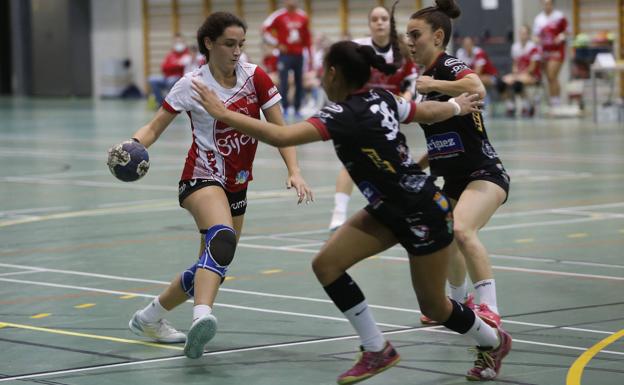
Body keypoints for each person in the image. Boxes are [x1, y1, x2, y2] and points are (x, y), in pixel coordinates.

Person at [192, 39, 512, 383]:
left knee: (435, 308)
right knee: (326, 265)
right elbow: (423, 112)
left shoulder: (340, 114)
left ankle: (492, 342)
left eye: (322, 70)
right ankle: (376, 349)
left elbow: (281, 137)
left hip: (423, 211)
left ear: (333, 74)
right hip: (389, 208)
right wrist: (456, 107)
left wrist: (224, 114)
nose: (319, 76)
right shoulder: (384, 98)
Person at [126, 12, 313, 359]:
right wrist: (130, 146)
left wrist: (294, 169)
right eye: (229, 44)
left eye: (241, 44)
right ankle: (203, 317)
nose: (237, 51)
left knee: (213, 263)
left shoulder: (256, 78)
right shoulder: (191, 85)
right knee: (222, 236)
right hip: (200, 176)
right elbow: (153, 128)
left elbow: (282, 131)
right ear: (209, 44)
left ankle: (148, 318)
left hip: (237, 184)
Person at [407, 0, 509, 331]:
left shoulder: (447, 67)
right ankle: (458, 302)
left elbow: (477, 86)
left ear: (437, 36)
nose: (409, 42)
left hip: (483, 173)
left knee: (463, 229)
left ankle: (489, 308)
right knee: (443, 233)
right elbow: (441, 139)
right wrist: (415, 166)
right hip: (451, 178)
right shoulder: (428, 77)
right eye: (406, 35)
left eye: (415, 34)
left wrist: (434, 86)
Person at [328, 1, 419, 231]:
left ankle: (395, 208)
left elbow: (411, 82)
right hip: (359, 114)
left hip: (389, 114)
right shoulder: (358, 48)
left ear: (390, 24)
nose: (379, 23)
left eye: (384, 19)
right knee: (352, 160)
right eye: (374, 19)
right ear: (369, 25)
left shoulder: (402, 51)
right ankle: (338, 214)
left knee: (391, 164)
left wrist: (405, 99)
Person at [262, 0, 312, 120]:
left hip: (299, 55)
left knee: (299, 82)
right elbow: (265, 30)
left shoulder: (303, 16)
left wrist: (309, 55)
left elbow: (307, 37)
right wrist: (277, 44)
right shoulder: (278, 16)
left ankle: (297, 108)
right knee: (283, 81)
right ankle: (284, 108)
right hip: (285, 55)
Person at [498, 25, 542, 117]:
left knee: (517, 83)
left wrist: (518, 75)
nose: (523, 35)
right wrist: (515, 72)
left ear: (528, 35)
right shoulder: (515, 47)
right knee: (501, 83)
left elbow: (532, 68)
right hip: (520, 74)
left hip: (533, 75)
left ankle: (528, 106)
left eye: (525, 33)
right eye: (521, 33)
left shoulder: (533, 47)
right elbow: (515, 63)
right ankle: (510, 106)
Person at [532, 0, 568, 107]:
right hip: (545, 52)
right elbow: (535, 35)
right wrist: (536, 40)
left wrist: (560, 37)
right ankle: (553, 102)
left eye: (549, 3)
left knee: (552, 75)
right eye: (545, 3)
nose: (547, 6)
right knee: (549, 78)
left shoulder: (559, 16)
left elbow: (566, 31)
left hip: (557, 51)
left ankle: (556, 102)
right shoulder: (539, 19)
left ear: (552, 4)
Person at [148, 34, 190, 107]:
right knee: (152, 79)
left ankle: (170, 104)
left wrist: (173, 65)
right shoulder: (171, 54)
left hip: (179, 78)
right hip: (166, 77)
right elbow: (164, 68)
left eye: (180, 42)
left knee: (171, 81)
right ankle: (161, 103)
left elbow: (183, 68)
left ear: (184, 43)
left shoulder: (187, 55)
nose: (178, 44)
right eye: (176, 42)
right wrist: (176, 64)